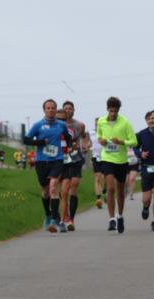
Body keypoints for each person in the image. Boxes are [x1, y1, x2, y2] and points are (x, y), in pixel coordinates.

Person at [23, 99, 73, 233]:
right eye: (48, 108)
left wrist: (68, 147)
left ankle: (53, 221)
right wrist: (39, 142)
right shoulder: (38, 125)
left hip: (57, 160)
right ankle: (48, 214)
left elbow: (68, 137)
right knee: (45, 192)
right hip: (41, 161)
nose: (51, 110)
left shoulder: (61, 125)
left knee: (53, 188)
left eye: (53, 108)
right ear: (44, 110)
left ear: (56, 110)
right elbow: (26, 139)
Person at [96, 96, 137, 233]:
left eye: (115, 111)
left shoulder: (125, 122)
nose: (113, 113)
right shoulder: (101, 121)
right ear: (107, 109)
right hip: (107, 158)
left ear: (119, 110)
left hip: (121, 160)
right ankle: (111, 219)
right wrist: (101, 140)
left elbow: (134, 141)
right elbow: (99, 135)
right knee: (110, 188)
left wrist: (121, 142)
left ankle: (120, 216)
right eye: (111, 110)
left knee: (120, 189)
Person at [58, 100, 90, 231]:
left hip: (76, 157)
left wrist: (85, 145)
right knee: (64, 192)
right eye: (65, 108)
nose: (68, 110)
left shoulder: (79, 125)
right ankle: (64, 217)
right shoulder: (58, 124)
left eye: (70, 108)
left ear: (73, 110)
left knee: (74, 185)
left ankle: (71, 219)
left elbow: (83, 137)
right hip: (62, 158)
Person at [89, 125, 106, 209]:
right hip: (96, 157)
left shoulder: (106, 131)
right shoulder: (91, 133)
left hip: (106, 157)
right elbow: (87, 142)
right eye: (97, 124)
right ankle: (98, 199)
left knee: (105, 178)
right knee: (98, 178)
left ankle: (105, 192)